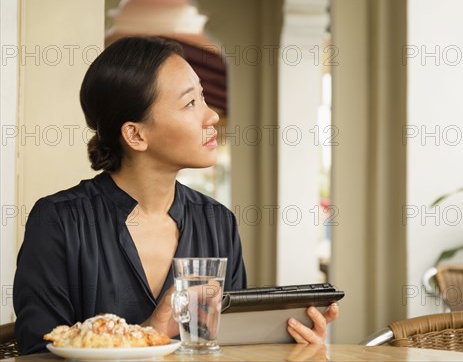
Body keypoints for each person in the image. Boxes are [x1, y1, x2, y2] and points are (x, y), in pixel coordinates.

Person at [13, 36, 339, 354]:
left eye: (203, 96)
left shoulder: (218, 222)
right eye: (190, 103)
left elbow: (230, 344)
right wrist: (150, 332)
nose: (211, 115)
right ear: (136, 134)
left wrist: (289, 344)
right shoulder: (58, 221)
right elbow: (37, 351)